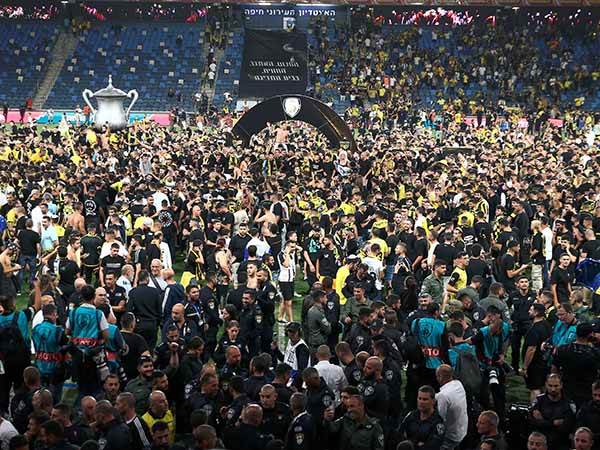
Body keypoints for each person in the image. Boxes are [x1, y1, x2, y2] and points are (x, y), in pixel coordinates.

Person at [552, 322, 600, 408]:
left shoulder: (563, 349)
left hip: (566, 389)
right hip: (586, 391)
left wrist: (556, 384)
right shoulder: (594, 353)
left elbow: (554, 369)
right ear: (590, 335)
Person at [528, 374, 576, 450]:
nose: (553, 389)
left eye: (556, 386)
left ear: (561, 385)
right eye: (550, 386)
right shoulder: (539, 401)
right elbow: (533, 422)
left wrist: (543, 420)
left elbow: (565, 428)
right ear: (546, 385)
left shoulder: (569, 404)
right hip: (539, 444)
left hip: (560, 444)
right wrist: (553, 423)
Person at [396, 385, 445, 450]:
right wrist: (414, 444)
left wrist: (410, 443)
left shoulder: (438, 422)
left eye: (425, 399)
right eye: (419, 398)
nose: (421, 402)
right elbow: (399, 434)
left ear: (433, 401)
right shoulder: (411, 415)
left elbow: (433, 446)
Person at [522, 303, 553, 400]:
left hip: (535, 364)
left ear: (536, 313)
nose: (528, 311)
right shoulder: (547, 325)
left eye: (531, 310)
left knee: (535, 388)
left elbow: (531, 349)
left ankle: (535, 407)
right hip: (545, 362)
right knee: (543, 386)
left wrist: (525, 367)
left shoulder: (535, 329)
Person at [126, 270, 162, 350]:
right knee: (150, 349)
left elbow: (129, 310)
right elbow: (159, 310)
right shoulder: (155, 292)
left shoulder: (133, 292)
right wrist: (157, 323)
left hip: (138, 324)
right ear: (147, 279)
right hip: (152, 324)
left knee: (138, 349)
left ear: (138, 279)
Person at [435, 365, 468, 450]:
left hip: (450, 436)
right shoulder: (458, 384)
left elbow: (440, 418)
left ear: (440, 377)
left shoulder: (443, 395)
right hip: (462, 430)